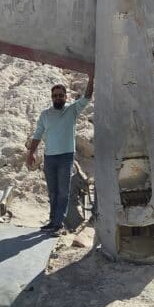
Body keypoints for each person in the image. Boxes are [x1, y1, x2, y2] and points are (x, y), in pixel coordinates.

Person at [26, 75, 94, 233]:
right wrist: (31, 152)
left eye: (60, 95)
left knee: (63, 192)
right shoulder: (45, 114)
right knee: (52, 192)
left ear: (65, 97)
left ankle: (58, 223)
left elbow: (87, 97)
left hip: (66, 157)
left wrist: (91, 78)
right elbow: (38, 134)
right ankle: (52, 221)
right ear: (52, 97)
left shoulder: (72, 110)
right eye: (55, 95)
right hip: (49, 158)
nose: (58, 98)